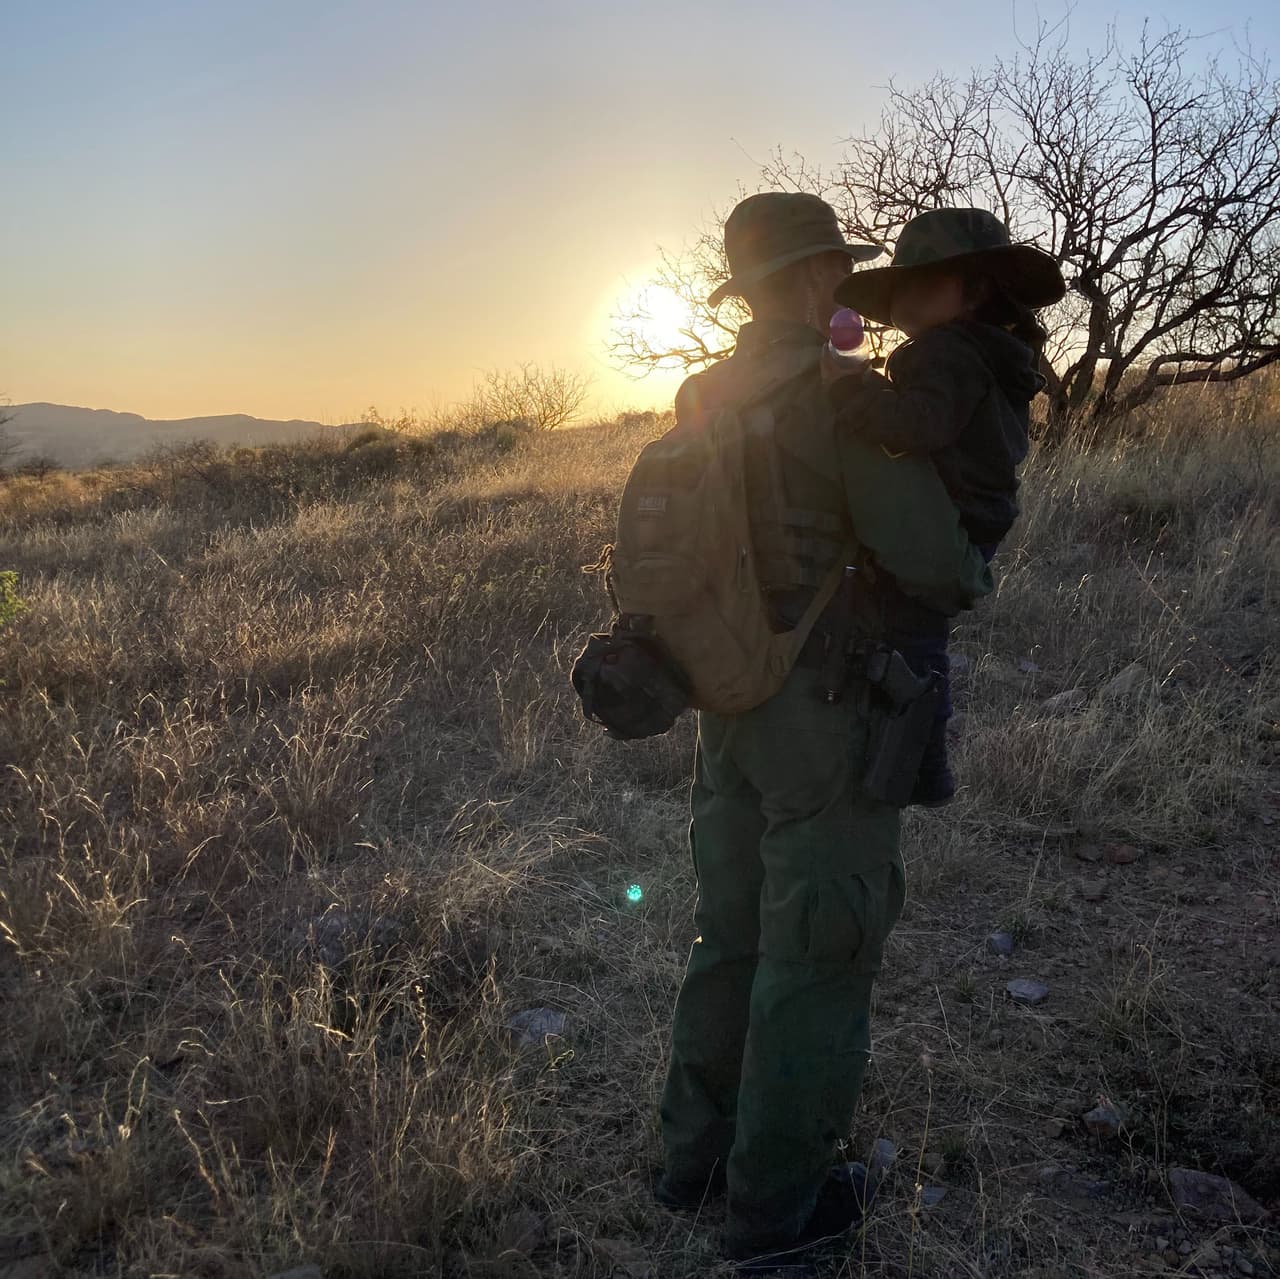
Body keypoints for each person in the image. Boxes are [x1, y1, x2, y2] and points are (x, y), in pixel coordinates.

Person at [652, 192, 995, 1265]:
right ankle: (777, 1211)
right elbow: (938, 562)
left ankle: (688, 1161)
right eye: (832, 272)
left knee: (731, 935)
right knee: (819, 950)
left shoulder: (703, 390)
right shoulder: (841, 396)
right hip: (828, 715)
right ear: (809, 281)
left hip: (726, 704)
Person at [826, 208, 1068, 805]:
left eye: (924, 282)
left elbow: (919, 425)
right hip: (979, 515)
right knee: (918, 636)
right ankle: (918, 767)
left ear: (976, 289)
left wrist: (855, 388)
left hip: (951, 516)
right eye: (900, 285)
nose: (906, 298)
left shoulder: (946, 351)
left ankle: (917, 769)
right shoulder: (993, 353)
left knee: (912, 641)